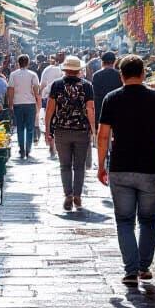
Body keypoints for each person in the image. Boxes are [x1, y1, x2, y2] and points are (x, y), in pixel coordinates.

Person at [97, 54, 155, 287]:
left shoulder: (112, 99)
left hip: (120, 167)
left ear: (121, 75)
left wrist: (101, 165)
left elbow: (103, 136)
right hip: (150, 167)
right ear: (143, 73)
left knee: (124, 221)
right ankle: (144, 267)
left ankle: (130, 270)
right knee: (148, 220)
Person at [44, 55, 95, 211]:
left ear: (65, 69)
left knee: (64, 165)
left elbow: (50, 109)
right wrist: (93, 130)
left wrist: (47, 130)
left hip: (61, 130)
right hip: (81, 131)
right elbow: (90, 109)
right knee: (79, 166)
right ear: (79, 70)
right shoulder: (87, 86)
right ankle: (77, 195)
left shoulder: (57, 85)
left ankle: (68, 195)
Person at [6, 54, 40, 160]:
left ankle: (21, 149)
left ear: (18, 63)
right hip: (30, 103)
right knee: (30, 128)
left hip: (17, 103)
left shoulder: (13, 75)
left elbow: (10, 90)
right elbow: (36, 91)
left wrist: (10, 104)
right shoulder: (33, 74)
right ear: (28, 63)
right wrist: (38, 103)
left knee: (20, 128)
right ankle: (28, 149)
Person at [38, 54, 64, 158]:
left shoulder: (47, 70)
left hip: (49, 97)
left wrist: (39, 95)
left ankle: (52, 144)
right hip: (61, 98)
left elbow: (43, 84)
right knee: (60, 121)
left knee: (49, 120)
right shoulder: (62, 70)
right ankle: (58, 145)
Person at [92, 51, 123, 122]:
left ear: (102, 62)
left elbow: (95, 94)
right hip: (116, 109)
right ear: (114, 62)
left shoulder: (96, 75)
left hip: (101, 109)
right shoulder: (119, 75)